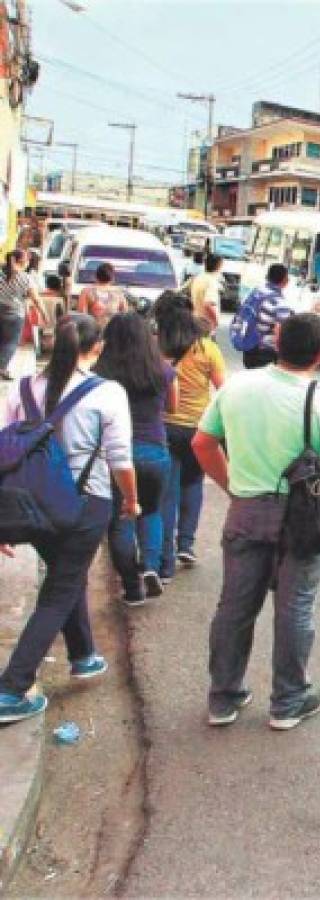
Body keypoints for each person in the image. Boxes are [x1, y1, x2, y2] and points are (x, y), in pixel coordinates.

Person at [193, 314, 320, 731]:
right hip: (301, 520)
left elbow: (203, 442)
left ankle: (223, 699)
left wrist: (232, 484)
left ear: (277, 341)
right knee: (295, 608)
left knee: (234, 606)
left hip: (245, 512)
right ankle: (288, 701)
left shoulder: (236, 386)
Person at [0, 315, 138, 723]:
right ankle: (11, 689)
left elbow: (5, 454)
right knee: (60, 589)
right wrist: (131, 501)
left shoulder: (23, 389)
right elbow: (120, 458)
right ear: (96, 348)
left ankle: (83, 656)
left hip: (32, 506)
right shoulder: (107, 392)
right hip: (86, 503)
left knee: (66, 574)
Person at [93, 313, 178, 604]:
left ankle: (132, 586)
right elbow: (173, 407)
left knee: (121, 520)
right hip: (155, 451)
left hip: (115, 456)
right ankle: (151, 568)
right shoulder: (163, 371)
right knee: (152, 512)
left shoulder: (99, 373)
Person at [156, 292, 224, 573]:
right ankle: (185, 545)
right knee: (193, 486)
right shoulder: (207, 348)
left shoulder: (157, 347)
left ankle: (165, 557)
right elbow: (223, 389)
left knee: (167, 493)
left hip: (164, 427)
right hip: (198, 429)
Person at [0, 249, 46, 380]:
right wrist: (44, 314)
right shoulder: (25, 278)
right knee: (10, 342)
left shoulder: (1, 273)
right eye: (27, 261)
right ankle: (2, 368)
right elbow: (36, 299)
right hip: (14, 314)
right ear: (23, 261)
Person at [241, 263, 292, 369]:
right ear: (285, 280)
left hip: (249, 346)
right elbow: (280, 330)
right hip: (265, 352)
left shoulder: (255, 293)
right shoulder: (279, 302)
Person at [78, 262, 127, 328]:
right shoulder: (118, 293)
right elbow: (125, 315)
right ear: (112, 278)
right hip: (112, 333)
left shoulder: (87, 292)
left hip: (93, 332)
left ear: (95, 276)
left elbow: (82, 316)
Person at [187, 253, 222, 334]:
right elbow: (208, 304)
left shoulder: (198, 278)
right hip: (206, 325)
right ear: (218, 266)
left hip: (195, 320)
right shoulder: (211, 282)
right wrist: (215, 321)